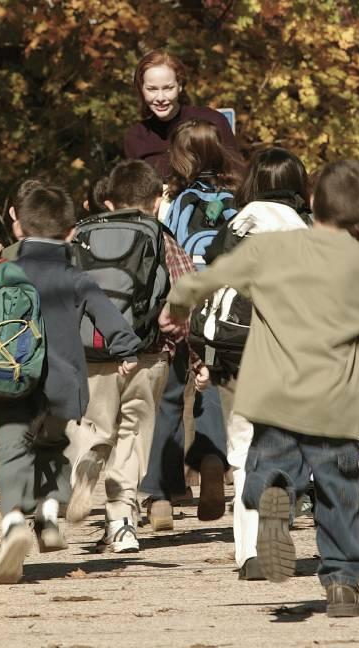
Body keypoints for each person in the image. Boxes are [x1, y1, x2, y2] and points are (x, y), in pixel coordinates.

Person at [165, 159, 359, 617]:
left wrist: (175, 305)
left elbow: (206, 279)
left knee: (270, 459)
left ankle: (271, 502)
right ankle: (344, 585)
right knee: (337, 490)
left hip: (272, 389)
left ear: (314, 203)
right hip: (334, 397)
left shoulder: (269, 251)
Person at [0, 181, 143, 584]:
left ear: (18, 229)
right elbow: (110, 318)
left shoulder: (1, 268)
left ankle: (15, 520)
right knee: (54, 451)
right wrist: (127, 351)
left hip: (9, 377)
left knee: (12, 452)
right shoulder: (75, 277)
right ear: (71, 233)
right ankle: (50, 513)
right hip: (63, 386)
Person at [64, 160, 196, 553]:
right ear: (157, 201)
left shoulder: (82, 233)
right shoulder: (159, 233)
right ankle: (122, 523)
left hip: (93, 352)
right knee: (133, 435)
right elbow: (187, 284)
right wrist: (180, 328)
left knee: (97, 427)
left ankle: (88, 459)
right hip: (147, 353)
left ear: (108, 200)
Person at [196, 146, 311, 580]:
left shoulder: (238, 222)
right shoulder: (307, 226)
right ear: (300, 186)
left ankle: (249, 554)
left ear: (252, 184)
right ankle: (275, 521)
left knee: (242, 449)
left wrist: (205, 357)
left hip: (236, 351)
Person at [140, 120, 236, 529]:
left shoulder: (177, 201)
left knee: (171, 391)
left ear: (180, 160)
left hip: (185, 297)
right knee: (209, 381)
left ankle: (161, 493)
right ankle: (212, 457)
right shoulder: (233, 198)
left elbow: (170, 251)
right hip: (222, 301)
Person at [123, 49, 242, 179]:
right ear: (141, 89)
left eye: (168, 88)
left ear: (179, 86)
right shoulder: (136, 137)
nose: (160, 97)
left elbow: (237, 176)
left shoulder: (212, 121)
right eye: (152, 89)